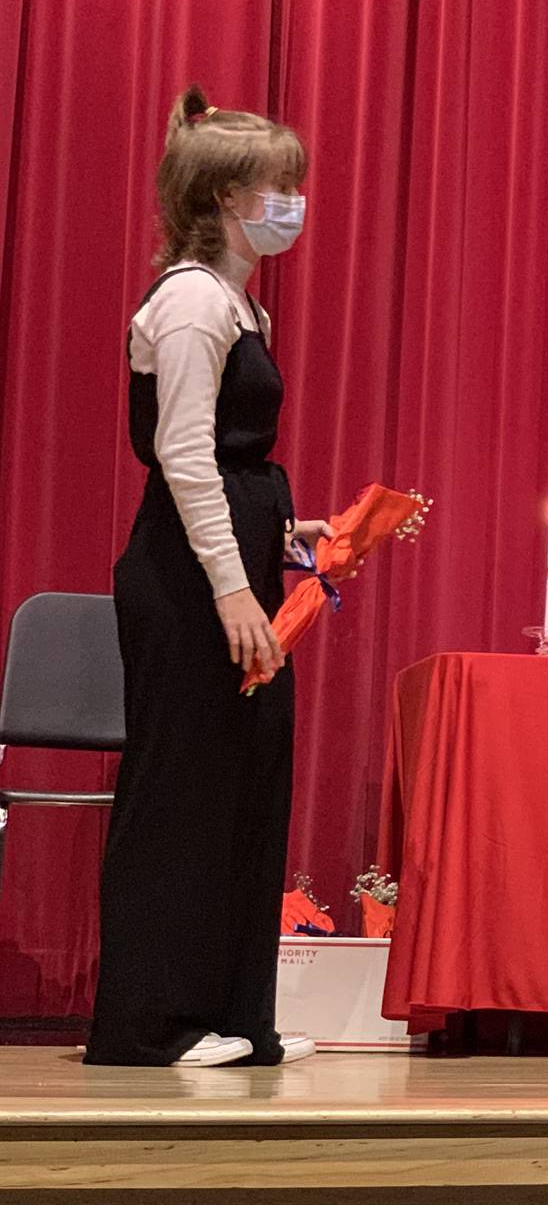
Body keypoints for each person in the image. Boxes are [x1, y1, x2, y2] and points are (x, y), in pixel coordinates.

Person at [87, 87, 333, 1067]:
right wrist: (234, 588)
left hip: (229, 549)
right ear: (228, 196)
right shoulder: (191, 300)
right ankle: (156, 1020)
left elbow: (229, 463)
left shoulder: (239, 300)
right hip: (188, 579)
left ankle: (235, 1012)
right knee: (183, 784)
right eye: (280, 186)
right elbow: (185, 454)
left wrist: (282, 531)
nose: (293, 202)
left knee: (242, 776)